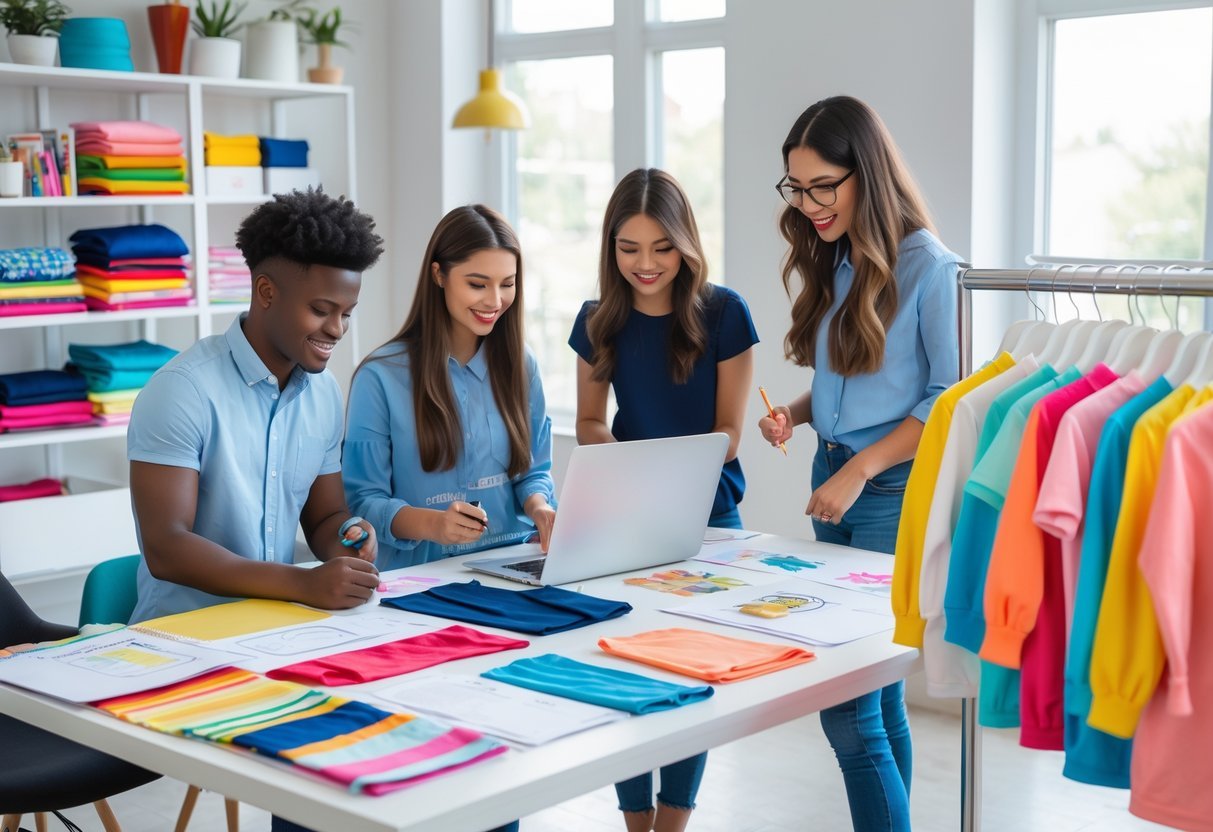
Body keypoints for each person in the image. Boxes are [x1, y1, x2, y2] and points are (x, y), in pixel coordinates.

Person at [757, 96, 959, 832]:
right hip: (835, 478)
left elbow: (943, 400)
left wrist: (859, 469)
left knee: (845, 709)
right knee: (874, 701)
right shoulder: (839, 257)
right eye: (795, 187)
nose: (807, 204)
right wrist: (799, 413)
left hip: (885, 491)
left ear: (863, 176)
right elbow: (856, 379)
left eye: (821, 186)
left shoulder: (930, 267)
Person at [569, 168, 757, 832]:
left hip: (709, 519)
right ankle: (633, 821)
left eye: (660, 247)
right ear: (609, 247)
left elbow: (729, 433)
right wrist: (629, 468)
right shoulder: (597, 322)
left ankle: (671, 826)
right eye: (628, 248)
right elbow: (590, 422)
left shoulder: (725, 313)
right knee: (627, 669)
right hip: (624, 519)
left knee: (687, 677)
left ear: (686, 244)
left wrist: (668, 470)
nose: (645, 264)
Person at [128, 187, 384, 626]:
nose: (337, 329)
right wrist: (303, 584)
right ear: (265, 291)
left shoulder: (323, 394)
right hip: (178, 636)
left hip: (272, 630)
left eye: (347, 313)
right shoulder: (181, 391)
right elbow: (166, 548)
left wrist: (349, 540)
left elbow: (325, 516)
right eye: (322, 310)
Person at [343, 204, 556, 569]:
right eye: (477, 284)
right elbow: (363, 501)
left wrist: (541, 509)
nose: (494, 301)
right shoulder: (379, 377)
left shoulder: (523, 366)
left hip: (511, 566)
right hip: (419, 579)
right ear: (439, 275)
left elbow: (532, 472)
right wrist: (435, 524)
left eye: (507, 284)